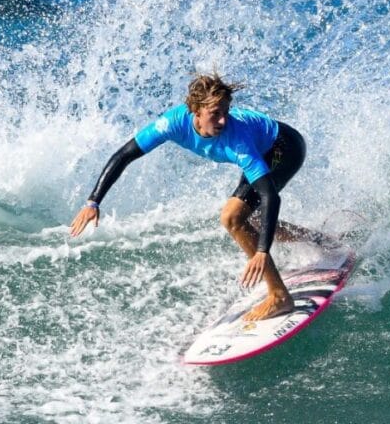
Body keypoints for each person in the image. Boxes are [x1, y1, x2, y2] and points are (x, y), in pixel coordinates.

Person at [69, 73, 314, 321]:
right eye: (215, 114)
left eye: (226, 112)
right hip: (265, 146)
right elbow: (125, 154)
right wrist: (93, 202)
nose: (222, 120)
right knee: (258, 222)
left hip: (285, 147)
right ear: (195, 111)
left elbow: (271, 196)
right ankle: (317, 240)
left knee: (233, 218)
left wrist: (262, 251)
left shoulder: (236, 139)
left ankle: (279, 296)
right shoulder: (173, 123)